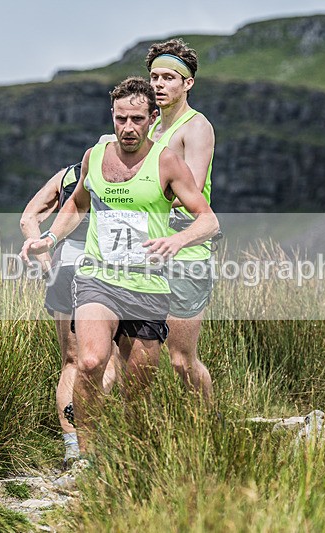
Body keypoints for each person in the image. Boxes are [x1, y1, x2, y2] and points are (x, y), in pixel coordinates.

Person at [20, 76, 219, 454]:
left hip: (146, 287)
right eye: (120, 119)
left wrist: (176, 240)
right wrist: (48, 238)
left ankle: (126, 452)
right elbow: (77, 205)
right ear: (112, 116)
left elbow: (208, 220)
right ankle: (86, 456)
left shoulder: (167, 162)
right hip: (99, 279)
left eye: (137, 120)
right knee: (90, 360)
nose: (128, 128)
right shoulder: (95, 156)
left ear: (152, 118)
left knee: (137, 386)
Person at [19, 155, 118, 469]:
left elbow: (28, 218)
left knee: (72, 361)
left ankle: (73, 452)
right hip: (105, 268)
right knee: (109, 358)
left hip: (64, 266)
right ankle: (91, 423)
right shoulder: (126, 173)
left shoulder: (66, 175)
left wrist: (43, 251)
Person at [146, 39, 216, 405]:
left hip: (187, 249)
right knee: (134, 355)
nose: (159, 84)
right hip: (145, 248)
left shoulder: (196, 127)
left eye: (169, 77)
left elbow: (193, 186)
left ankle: (209, 426)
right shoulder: (148, 127)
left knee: (180, 360)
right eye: (154, 77)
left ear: (188, 83)